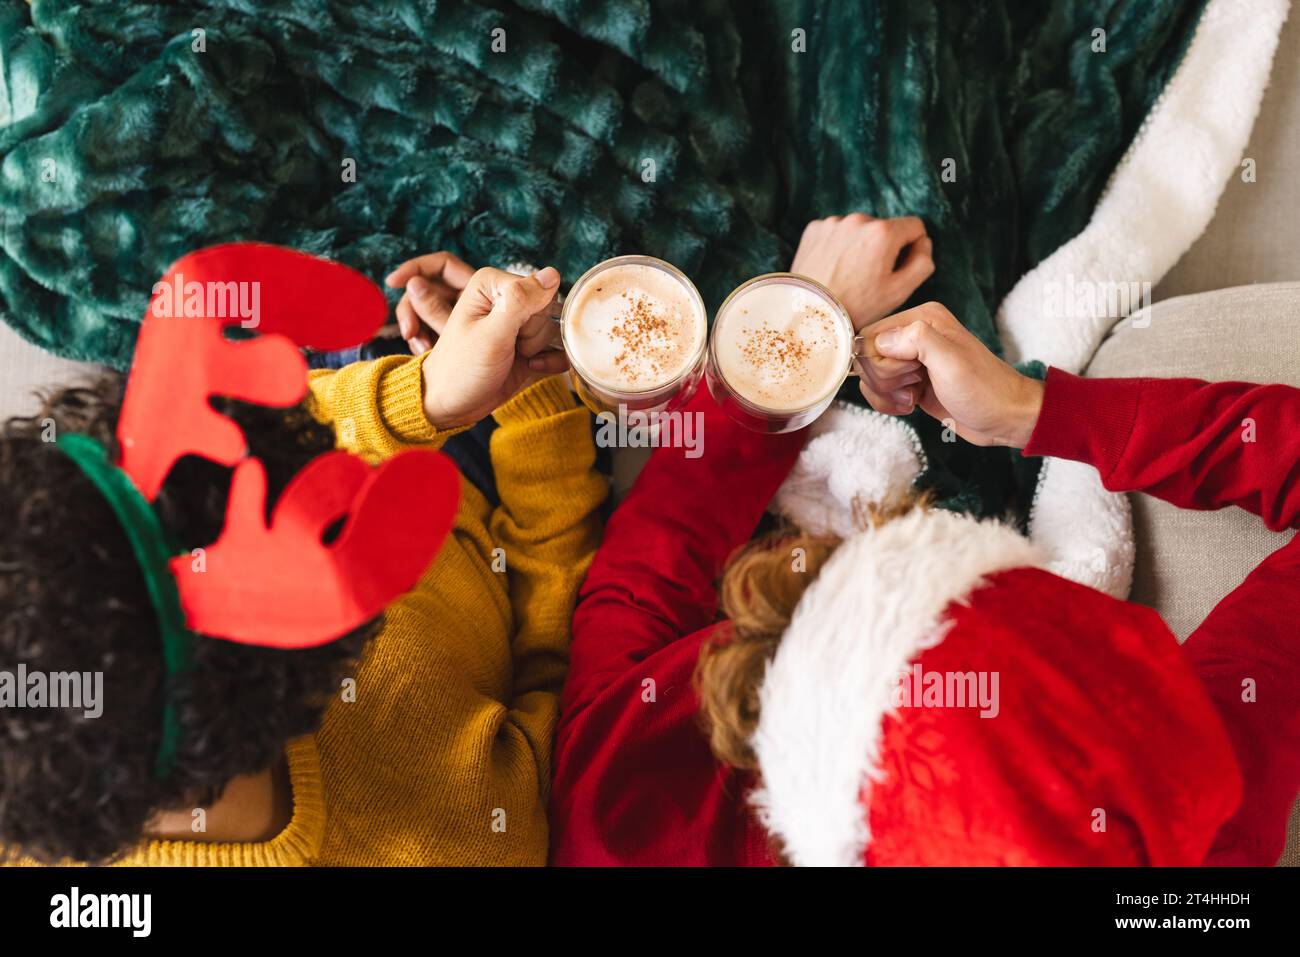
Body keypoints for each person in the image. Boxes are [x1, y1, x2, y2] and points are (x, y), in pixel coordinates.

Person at [549, 292, 1300, 866]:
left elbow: (648, 564)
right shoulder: (1193, 809)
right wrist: (1033, 410)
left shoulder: (617, 805)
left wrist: (796, 324)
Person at [0, 262, 607, 866]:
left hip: (373, 413)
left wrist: (420, 397)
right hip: (507, 489)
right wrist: (532, 408)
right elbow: (553, 658)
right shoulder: (464, 835)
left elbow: (241, 461)